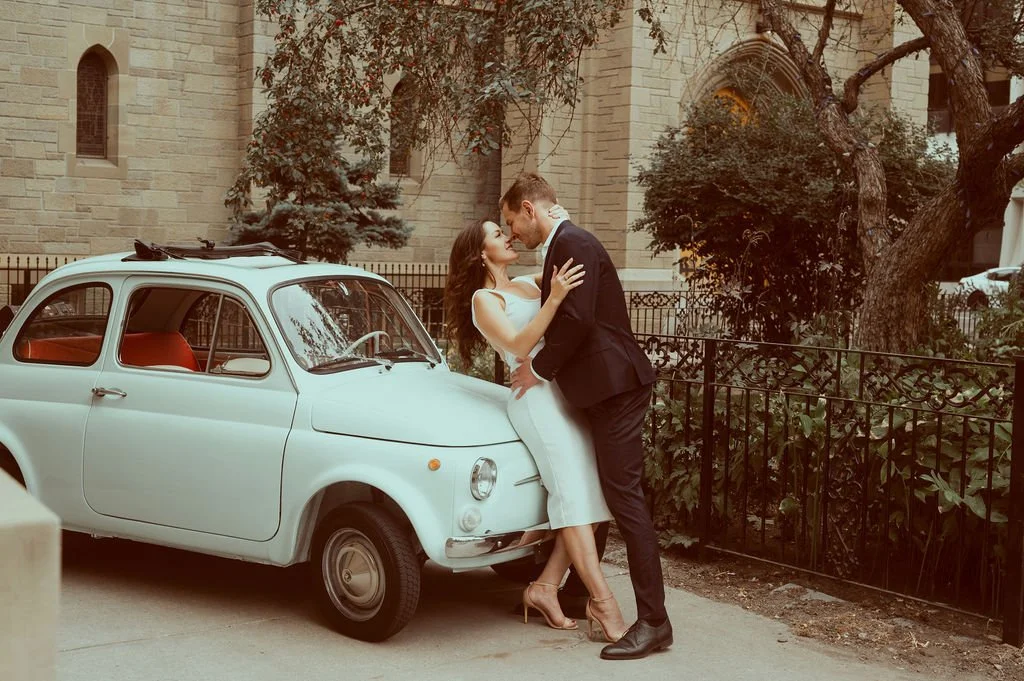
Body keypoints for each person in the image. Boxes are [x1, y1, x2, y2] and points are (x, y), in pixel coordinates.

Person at [500, 172, 672, 661]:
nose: (514, 234)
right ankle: (570, 589)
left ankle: (655, 623)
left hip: (615, 390)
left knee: (626, 502)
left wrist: (538, 369)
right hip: (602, 392)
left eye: (514, 222)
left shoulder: (571, 242)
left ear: (530, 209)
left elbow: (577, 320)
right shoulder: (565, 244)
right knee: (601, 491)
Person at [444, 216, 629, 643]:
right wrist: (555, 298)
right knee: (569, 496)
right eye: (496, 234)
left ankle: (544, 587)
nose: (507, 237)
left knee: (589, 497)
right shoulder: (483, 299)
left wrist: (555, 217)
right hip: (535, 402)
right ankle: (602, 602)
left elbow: (561, 250)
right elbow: (519, 345)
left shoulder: (531, 282)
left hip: (562, 394)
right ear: (479, 253)